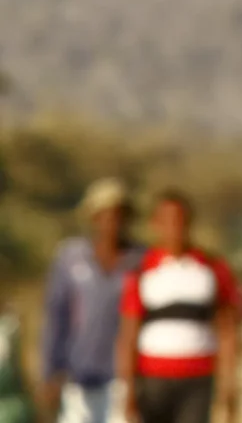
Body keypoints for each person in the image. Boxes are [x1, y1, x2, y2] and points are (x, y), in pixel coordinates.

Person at [115, 191, 238, 423]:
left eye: (180, 220)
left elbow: (227, 330)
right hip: (152, 379)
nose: (175, 227)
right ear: (155, 224)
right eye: (167, 220)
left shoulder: (212, 268)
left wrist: (228, 387)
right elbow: (128, 334)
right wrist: (128, 389)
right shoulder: (142, 270)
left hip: (198, 378)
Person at [40, 180, 140, 423]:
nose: (111, 222)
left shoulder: (140, 260)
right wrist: (50, 372)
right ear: (93, 218)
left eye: (118, 215)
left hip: (123, 378)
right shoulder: (71, 258)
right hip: (78, 374)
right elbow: (57, 316)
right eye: (103, 215)